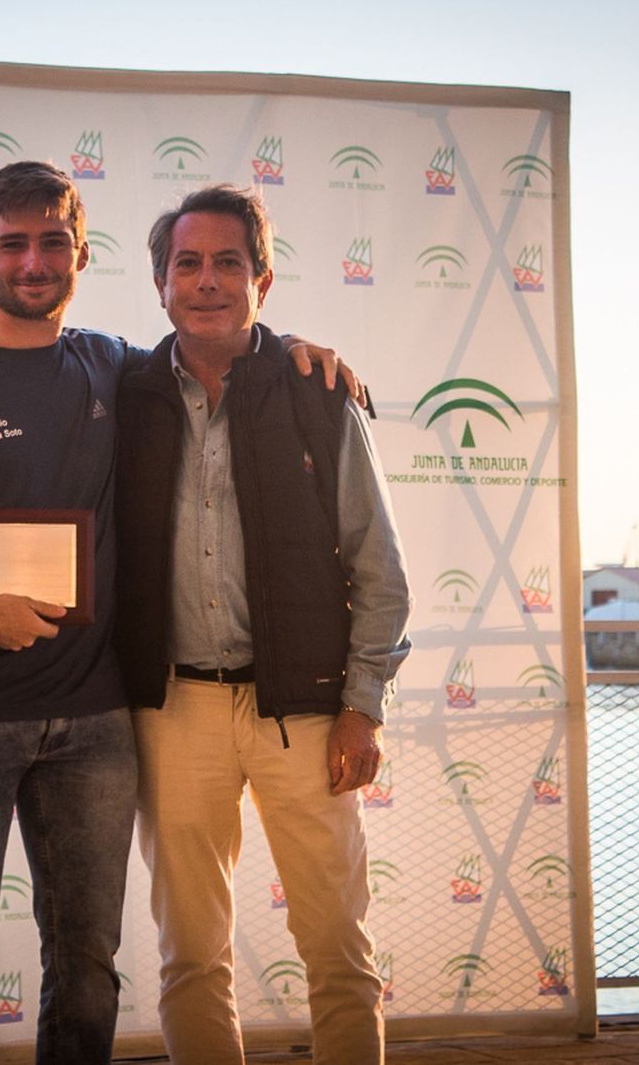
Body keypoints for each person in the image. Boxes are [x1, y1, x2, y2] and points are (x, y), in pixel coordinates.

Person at [0, 161, 349, 1065]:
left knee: (89, 963)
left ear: (81, 252)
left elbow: (218, 339)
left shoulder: (114, 366)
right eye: (14, 244)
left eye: (52, 242)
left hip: (96, 721)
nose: (34, 261)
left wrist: (300, 348)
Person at [115, 184, 412, 1065]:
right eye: (189, 264)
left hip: (309, 713)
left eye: (229, 263)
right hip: (174, 713)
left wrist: (362, 705)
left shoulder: (319, 395)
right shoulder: (122, 393)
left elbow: (380, 569)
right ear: (160, 282)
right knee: (191, 958)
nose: (208, 281)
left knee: (338, 951)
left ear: (264, 278)